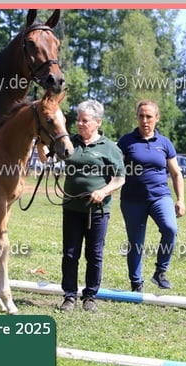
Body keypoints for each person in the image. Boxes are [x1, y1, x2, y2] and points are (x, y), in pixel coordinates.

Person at [59, 100, 125, 313]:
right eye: (78, 119)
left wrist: (104, 191)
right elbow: (45, 158)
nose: (79, 124)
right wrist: (41, 145)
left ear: (98, 122)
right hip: (71, 208)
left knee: (94, 255)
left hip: (98, 211)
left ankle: (90, 296)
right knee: (70, 254)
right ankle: (69, 296)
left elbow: (120, 178)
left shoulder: (110, 148)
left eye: (84, 120)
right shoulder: (71, 142)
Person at [117, 100, 185, 292]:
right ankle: (136, 283)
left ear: (157, 118)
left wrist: (180, 199)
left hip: (160, 196)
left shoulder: (164, 143)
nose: (145, 120)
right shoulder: (126, 141)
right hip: (132, 200)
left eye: (149, 116)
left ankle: (160, 272)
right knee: (136, 242)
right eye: (141, 116)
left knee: (170, 228)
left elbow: (176, 173)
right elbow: (114, 169)